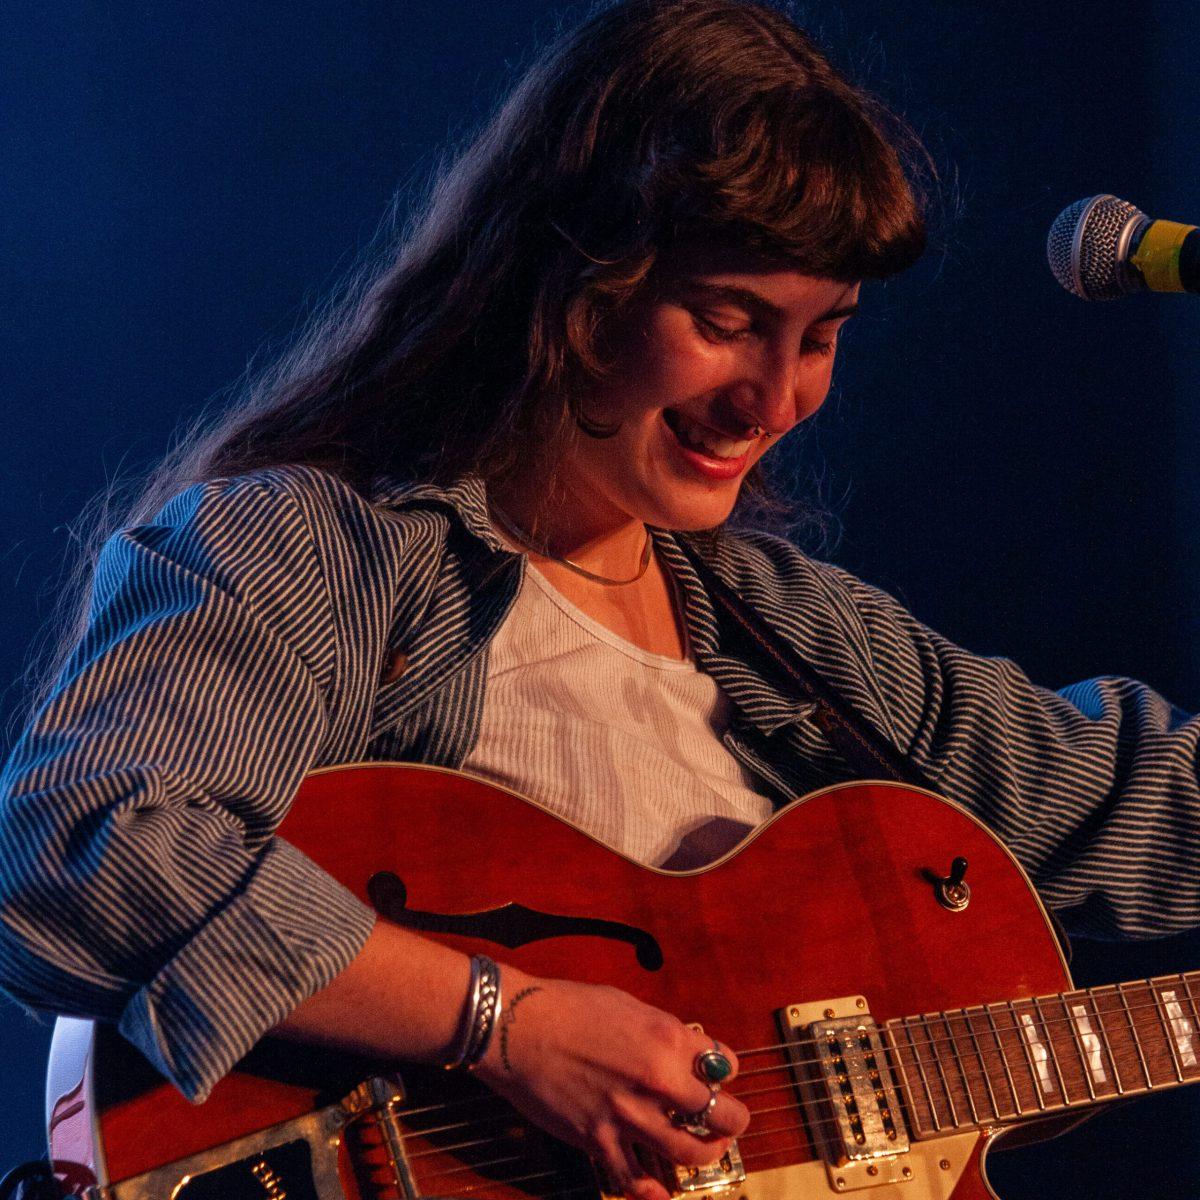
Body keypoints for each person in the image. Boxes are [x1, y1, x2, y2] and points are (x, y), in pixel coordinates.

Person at [1, 2, 1199, 1198]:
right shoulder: (321, 552)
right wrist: (504, 1022)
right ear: (573, 289)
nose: (774, 400)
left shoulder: (803, 635)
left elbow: (1146, 802)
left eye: (823, 337)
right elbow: (76, 844)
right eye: (729, 324)